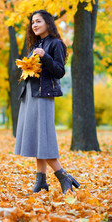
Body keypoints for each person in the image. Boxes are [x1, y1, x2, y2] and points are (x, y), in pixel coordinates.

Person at [15, 10, 80, 194]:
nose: (34, 25)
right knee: (37, 139)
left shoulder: (56, 43)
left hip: (43, 96)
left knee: (43, 138)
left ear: (48, 23)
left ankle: (63, 176)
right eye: (32, 22)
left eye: (38, 21)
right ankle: (41, 181)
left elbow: (59, 71)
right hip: (30, 94)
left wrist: (45, 55)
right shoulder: (36, 43)